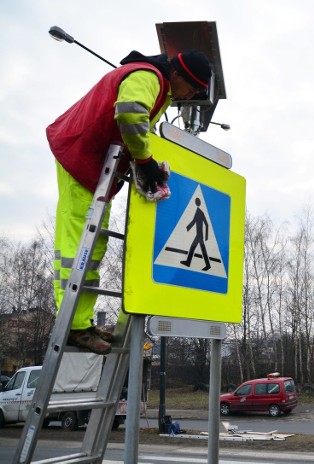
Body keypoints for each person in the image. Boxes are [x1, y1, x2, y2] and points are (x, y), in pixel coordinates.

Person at [47, 49, 212, 354]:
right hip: (80, 157)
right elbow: (130, 112)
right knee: (79, 242)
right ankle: (73, 325)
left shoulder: (155, 82)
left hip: (95, 165)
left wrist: (145, 166)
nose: (190, 96)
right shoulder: (149, 77)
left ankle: (80, 320)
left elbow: (137, 130)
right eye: (193, 88)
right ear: (178, 75)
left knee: (92, 242)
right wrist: (144, 159)